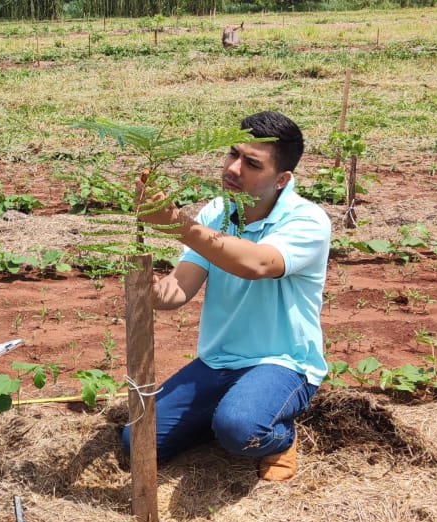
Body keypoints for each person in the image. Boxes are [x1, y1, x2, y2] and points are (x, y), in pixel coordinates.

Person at [120, 111, 331, 481]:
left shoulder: (307, 221)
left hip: (282, 363)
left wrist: (178, 225)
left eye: (251, 163)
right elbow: (180, 288)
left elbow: (256, 264)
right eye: (232, 154)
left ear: (281, 179)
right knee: (136, 441)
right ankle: (224, 416)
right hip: (218, 362)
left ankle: (279, 438)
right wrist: (147, 292)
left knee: (242, 429)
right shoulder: (218, 212)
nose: (233, 168)